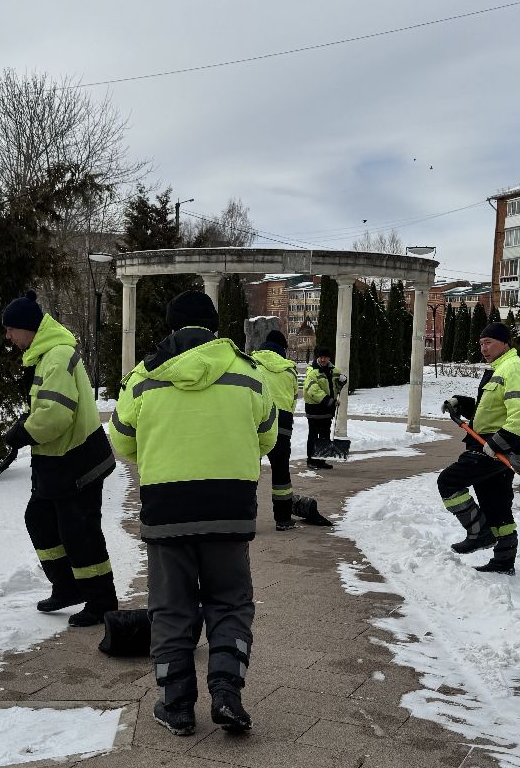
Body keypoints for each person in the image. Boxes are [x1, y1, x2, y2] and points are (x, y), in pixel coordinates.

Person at [110, 290, 277, 736]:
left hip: (168, 509)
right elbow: (268, 439)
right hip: (229, 508)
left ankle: (177, 705)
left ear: (170, 326)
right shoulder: (249, 373)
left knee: (170, 607)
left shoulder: (143, 378)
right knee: (230, 602)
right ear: (214, 327)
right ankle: (227, 690)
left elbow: (122, 440)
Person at [1, 291, 118, 629]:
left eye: (11, 330)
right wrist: (26, 427)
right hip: (57, 460)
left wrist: (25, 431)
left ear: (27, 328)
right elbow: (46, 408)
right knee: (40, 519)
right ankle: (67, 587)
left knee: (80, 531)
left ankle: (101, 601)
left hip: (77, 459)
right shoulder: (44, 356)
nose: (8, 337)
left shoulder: (57, 356)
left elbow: (55, 416)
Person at [437, 322, 520, 574]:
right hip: (492, 446)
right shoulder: (499, 368)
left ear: (505, 343)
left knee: (448, 481)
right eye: (481, 343)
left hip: (499, 448)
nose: (483, 348)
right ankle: (504, 561)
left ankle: (478, 532)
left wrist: (497, 443)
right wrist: (461, 402)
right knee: (496, 502)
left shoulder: (513, 368)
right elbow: (491, 409)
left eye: (489, 342)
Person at [250, 329, 300, 530]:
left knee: (250, 471)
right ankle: (283, 519)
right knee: (281, 471)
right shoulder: (290, 370)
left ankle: (247, 519)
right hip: (282, 422)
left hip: (257, 419)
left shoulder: (252, 363)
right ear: (283, 350)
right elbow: (293, 399)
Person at [302, 347, 345, 469]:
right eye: (321, 357)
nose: (323, 359)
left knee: (325, 435)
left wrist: (342, 381)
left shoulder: (334, 371)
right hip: (314, 409)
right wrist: (328, 400)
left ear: (329, 358)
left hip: (328, 409)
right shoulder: (312, 371)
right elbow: (312, 390)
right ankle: (311, 460)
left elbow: (336, 385)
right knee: (314, 435)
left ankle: (321, 460)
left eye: (325, 357)